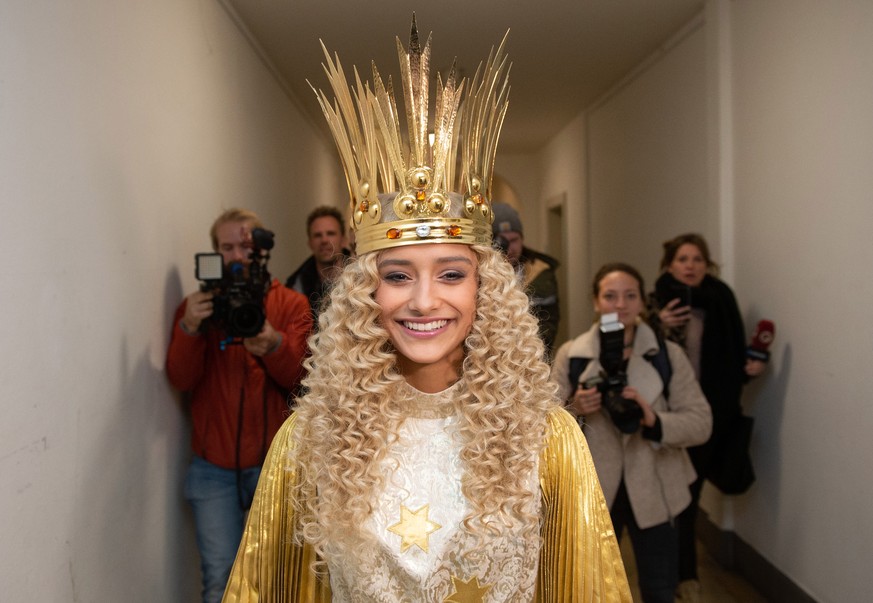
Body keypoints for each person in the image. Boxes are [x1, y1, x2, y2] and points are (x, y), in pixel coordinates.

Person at [223, 18, 632, 602]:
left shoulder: (547, 439)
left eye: (450, 273)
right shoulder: (308, 442)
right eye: (396, 276)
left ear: (484, 288)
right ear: (367, 292)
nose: (422, 300)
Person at [165, 208, 312, 603]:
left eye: (244, 246)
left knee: (278, 578)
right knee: (221, 579)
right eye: (226, 247)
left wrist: (274, 345)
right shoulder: (198, 308)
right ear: (214, 253)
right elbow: (181, 379)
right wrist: (189, 329)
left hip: (274, 466)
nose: (236, 255)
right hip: (213, 467)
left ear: (259, 250)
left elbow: (302, 382)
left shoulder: (291, 304)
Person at [551, 263, 712, 603]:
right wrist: (577, 408)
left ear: (641, 303)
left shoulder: (667, 355)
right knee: (590, 589)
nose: (620, 305)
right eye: (610, 296)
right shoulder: (572, 356)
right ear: (596, 302)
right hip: (592, 488)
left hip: (655, 485)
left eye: (630, 296)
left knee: (659, 587)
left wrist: (655, 420)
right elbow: (542, 427)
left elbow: (701, 423)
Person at [649, 233, 766, 602]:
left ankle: (686, 578)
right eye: (683, 259)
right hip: (667, 417)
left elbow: (734, 355)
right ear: (669, 265)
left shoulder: (722, 300)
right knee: (670, 498)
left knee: (689, 496)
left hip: (709, 416)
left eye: (697, 259)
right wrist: (658, 323)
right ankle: (673, 577)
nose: (690, 266)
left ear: (707, 265)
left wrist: (753, 365)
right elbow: (643, 354)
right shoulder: (656, 302)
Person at [491, 202, 561, 355]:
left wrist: (529, 352)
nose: (510, 247)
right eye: (503, 240)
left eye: (515, 240)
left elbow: (549, 323)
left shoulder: (541, 272)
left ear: (522, 239)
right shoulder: (480, 272)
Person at [285, 205, 351, 323]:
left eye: (330, 233)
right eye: (317, 235)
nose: (324, 240)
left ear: (343, 240)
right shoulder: (296, 287)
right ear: (310, 243)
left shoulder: (362, 275)